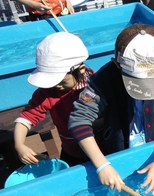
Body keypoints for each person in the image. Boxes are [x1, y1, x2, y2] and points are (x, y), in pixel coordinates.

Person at [68, 23, 154, 194]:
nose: (147, 89)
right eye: (140, 82)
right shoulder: (103, 80)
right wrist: (102, 165)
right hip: (121, 151)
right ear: (117, 64)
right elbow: (79, 120)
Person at [14, 32, 94, 167]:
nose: (56, 85)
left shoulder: (98, 86)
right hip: (73, 152)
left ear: (81, 69)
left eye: (61, 81)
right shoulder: (48, 92)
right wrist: (19, 145)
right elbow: (26, 117)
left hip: (105, 148)